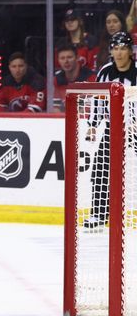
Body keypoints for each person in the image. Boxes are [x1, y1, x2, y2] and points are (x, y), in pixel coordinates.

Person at [83, 31, 137, 229]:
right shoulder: (105, 71)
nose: (120, 53)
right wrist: (92, 125)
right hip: (113, 128)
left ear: (130, 51)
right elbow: (98, 100)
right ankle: (99, 214)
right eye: (116, 48)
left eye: (124, 48)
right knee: (100, 169)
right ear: (111, 51)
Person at [53, 43, 96, 110]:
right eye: (62, 58)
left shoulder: (90, 78)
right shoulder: (57, 80)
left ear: (77, 58)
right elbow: (55, 109)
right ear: (58, 60)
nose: (66, 61)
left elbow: (88, 109)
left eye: (69, 57)